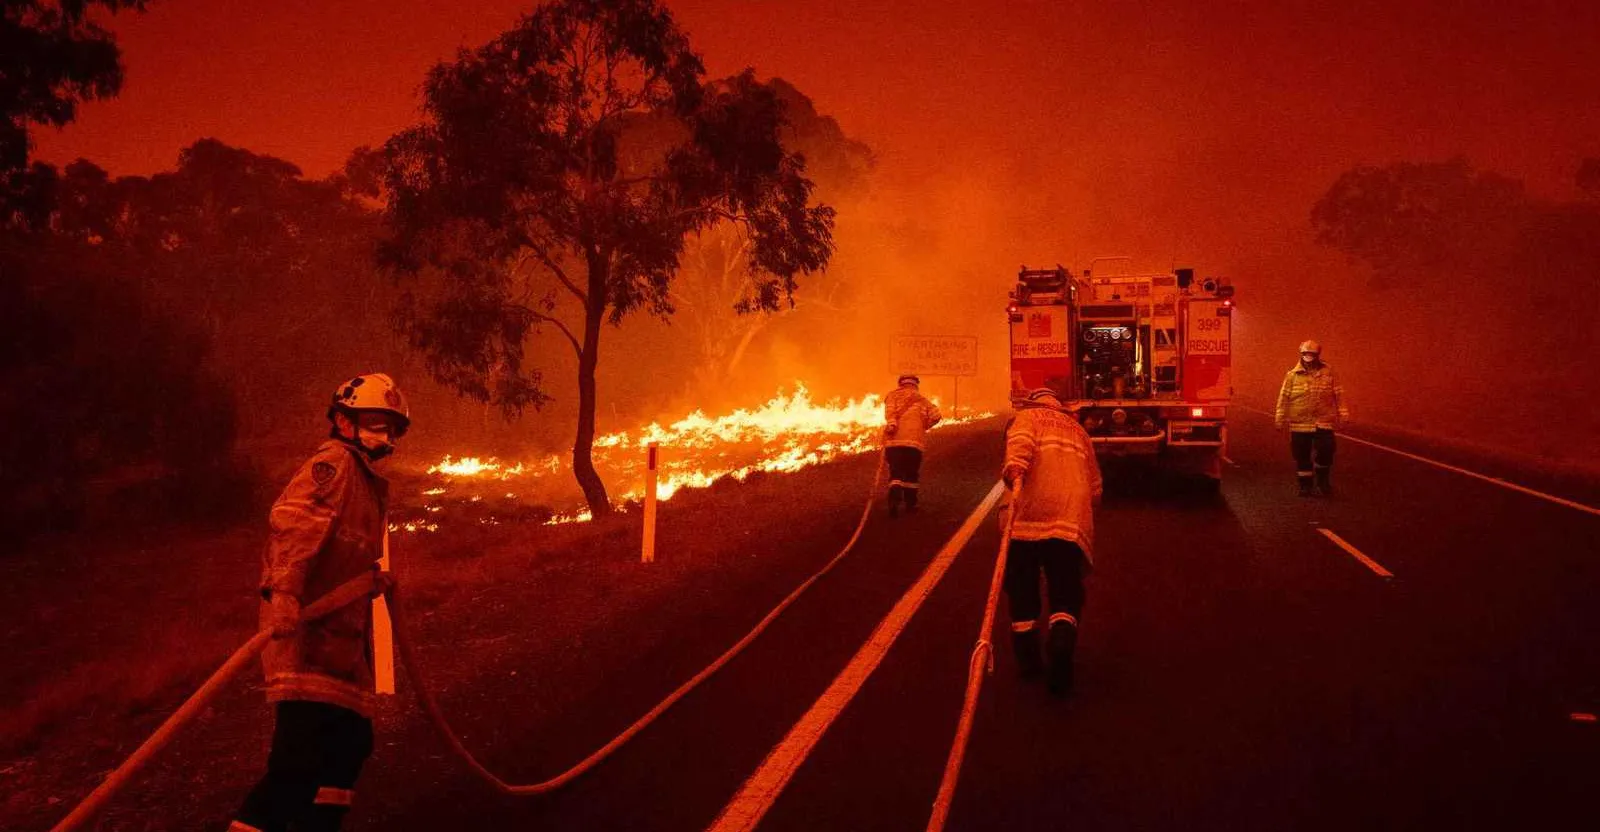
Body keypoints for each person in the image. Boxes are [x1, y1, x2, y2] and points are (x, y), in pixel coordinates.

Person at [230, 373, 410, 832]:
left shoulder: (366, 480)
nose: (382, 434)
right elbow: (294, 528)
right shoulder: (334, 466)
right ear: (342, 421)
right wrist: (285, 595)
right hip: (305, 637)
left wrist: (368, 579)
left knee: (350, 743)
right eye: (372, 422)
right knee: (296, 762)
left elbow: (340, 547)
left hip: (341, 644)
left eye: (390, 427)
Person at [1000, 387, 1102, 695]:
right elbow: (1096, 487)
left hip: (1027, 516)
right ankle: (1061, 637)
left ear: (1034, 403)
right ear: (1059, 407)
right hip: (1069, 518)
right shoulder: (1078, 431)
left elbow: (1020, 446)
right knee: (1065, 587)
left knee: (1021, 585)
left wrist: (1015, 466)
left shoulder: (1025, 417)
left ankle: (1029, 659)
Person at [1274, 340, 1350, 497]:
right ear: (1301, 355)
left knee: (1326, 450)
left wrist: (1344, 414)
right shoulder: (1292, 376)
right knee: (1302, 456)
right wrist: (1279, 417)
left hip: (1322, 422)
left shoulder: (1329, 372)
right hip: (1299, 423)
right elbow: (1284, 397)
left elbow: (1339, 394)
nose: (1309, 357)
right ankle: (1305, 486)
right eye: (1305, 354)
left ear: (1317, 355)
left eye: (1312, 355)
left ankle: (1323, 483)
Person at [882, 373, 942, 516]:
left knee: (895, 471)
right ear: (916, 384)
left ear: (900, 384)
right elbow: (937, 416)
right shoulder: (923, 400)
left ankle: (894, 500)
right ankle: (910, 505)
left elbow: (890, 414)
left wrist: (891, 425)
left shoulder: (892, 396)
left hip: (894, 442)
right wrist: (924, 426)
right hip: (915, 443)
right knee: (911, 473)